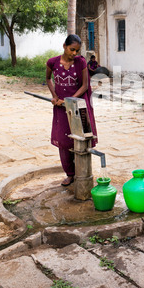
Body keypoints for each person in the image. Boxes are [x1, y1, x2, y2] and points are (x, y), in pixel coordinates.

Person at [46, 34, 98, 187]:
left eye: (77, 50)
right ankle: (70, 174)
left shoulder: (80, 62)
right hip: (61, 109)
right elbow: (48, 79)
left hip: (78, 106)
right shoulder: (52, 62)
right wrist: (54, 96)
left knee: (81, 139)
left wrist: (70, 101)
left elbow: (84, 86)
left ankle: (83, 173)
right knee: (63, 140)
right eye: (72, 49)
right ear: (64, 46)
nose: (74, 53)